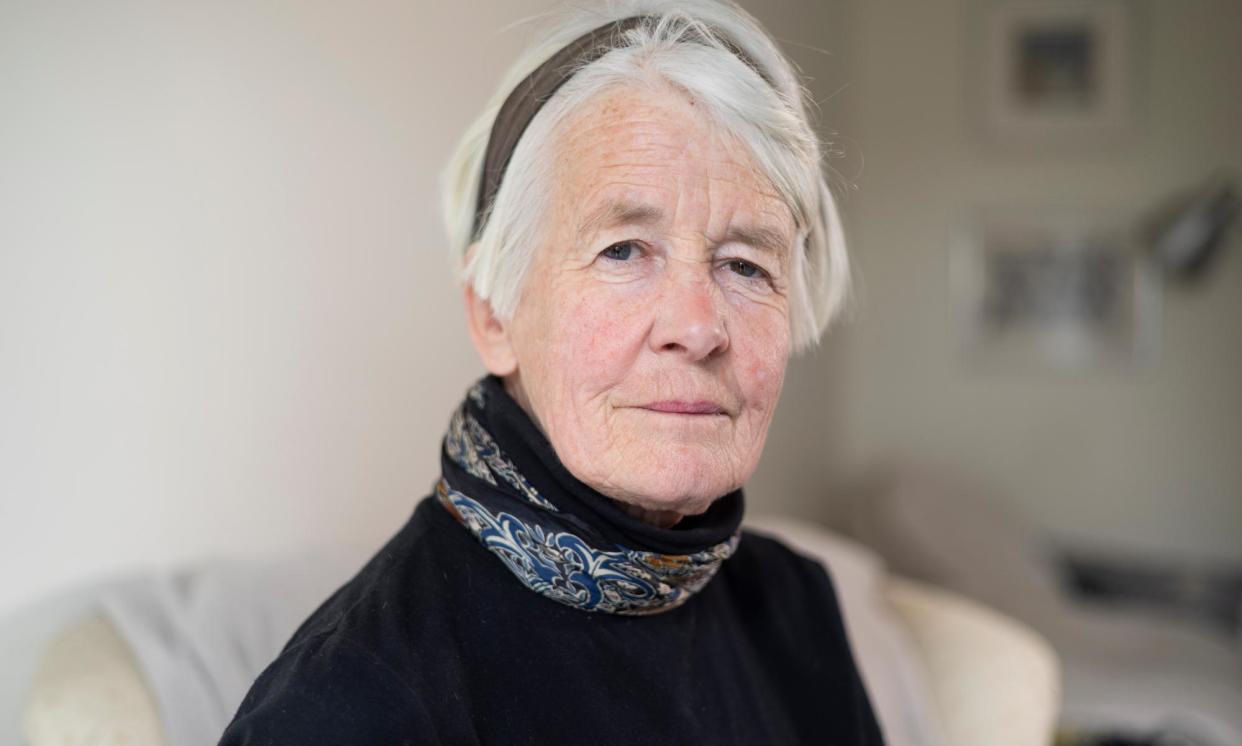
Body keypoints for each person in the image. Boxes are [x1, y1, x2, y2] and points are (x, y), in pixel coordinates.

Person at [220, 0, 882, 743]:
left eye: (745, 264)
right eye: (624, 251)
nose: (698, 327)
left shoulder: (796, 609)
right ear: (495, 318)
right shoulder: (351, 706)